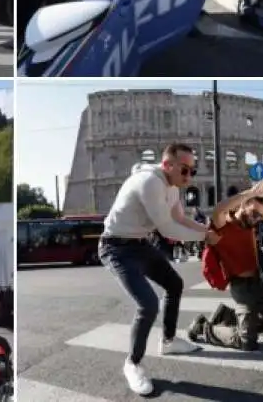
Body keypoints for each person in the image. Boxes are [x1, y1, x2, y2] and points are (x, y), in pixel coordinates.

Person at [99, 144, 221, 396]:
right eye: (185, 170)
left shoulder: (172, 186)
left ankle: (168, 341)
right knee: (148, 304)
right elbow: (167, 229)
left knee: (174, 284)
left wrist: (206, 230)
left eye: (193, 171)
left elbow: (180, 219)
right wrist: (204, 239)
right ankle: (132, 363)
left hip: (140, 243)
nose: (189, 177)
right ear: (167, 165)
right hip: (116, 248)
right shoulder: (149, 182)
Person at [188, 158, 263, 351]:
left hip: (257, 282)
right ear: (244, 204)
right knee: (247, 341)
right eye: (254, 213)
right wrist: (251, 192)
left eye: (260, 216)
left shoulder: (251, 220)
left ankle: (226, 316)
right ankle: (204, 327)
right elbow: (218, 209)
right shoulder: (223, 224)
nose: (256, 219)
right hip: (240, 287)